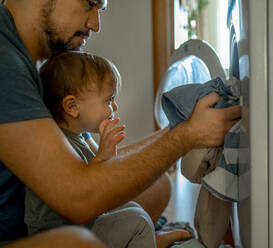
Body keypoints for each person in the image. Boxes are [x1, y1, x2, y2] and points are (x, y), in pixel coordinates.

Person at [0, 0, 241, 247]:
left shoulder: (35, 60)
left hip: (50, 213)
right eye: (90, 3)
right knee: (76, 241)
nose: (96, 24)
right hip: (30, 230)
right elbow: (78, 199)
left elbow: (84, 171)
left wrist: (184, 127)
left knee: (156, 186)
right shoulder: (5, 60)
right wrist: (186, 137)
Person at [24, 51, 191, 247]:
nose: (115, 107)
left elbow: (103, 175)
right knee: (136, 222)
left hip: (80, 224)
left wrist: (107, 153)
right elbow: (84, 186)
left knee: (132, 207)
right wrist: (103, 154)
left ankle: (148, 241)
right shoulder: (56, 143)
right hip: (58, 236)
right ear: (72, 107)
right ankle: (147, 239)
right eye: (109, 100)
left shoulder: (79, 135)